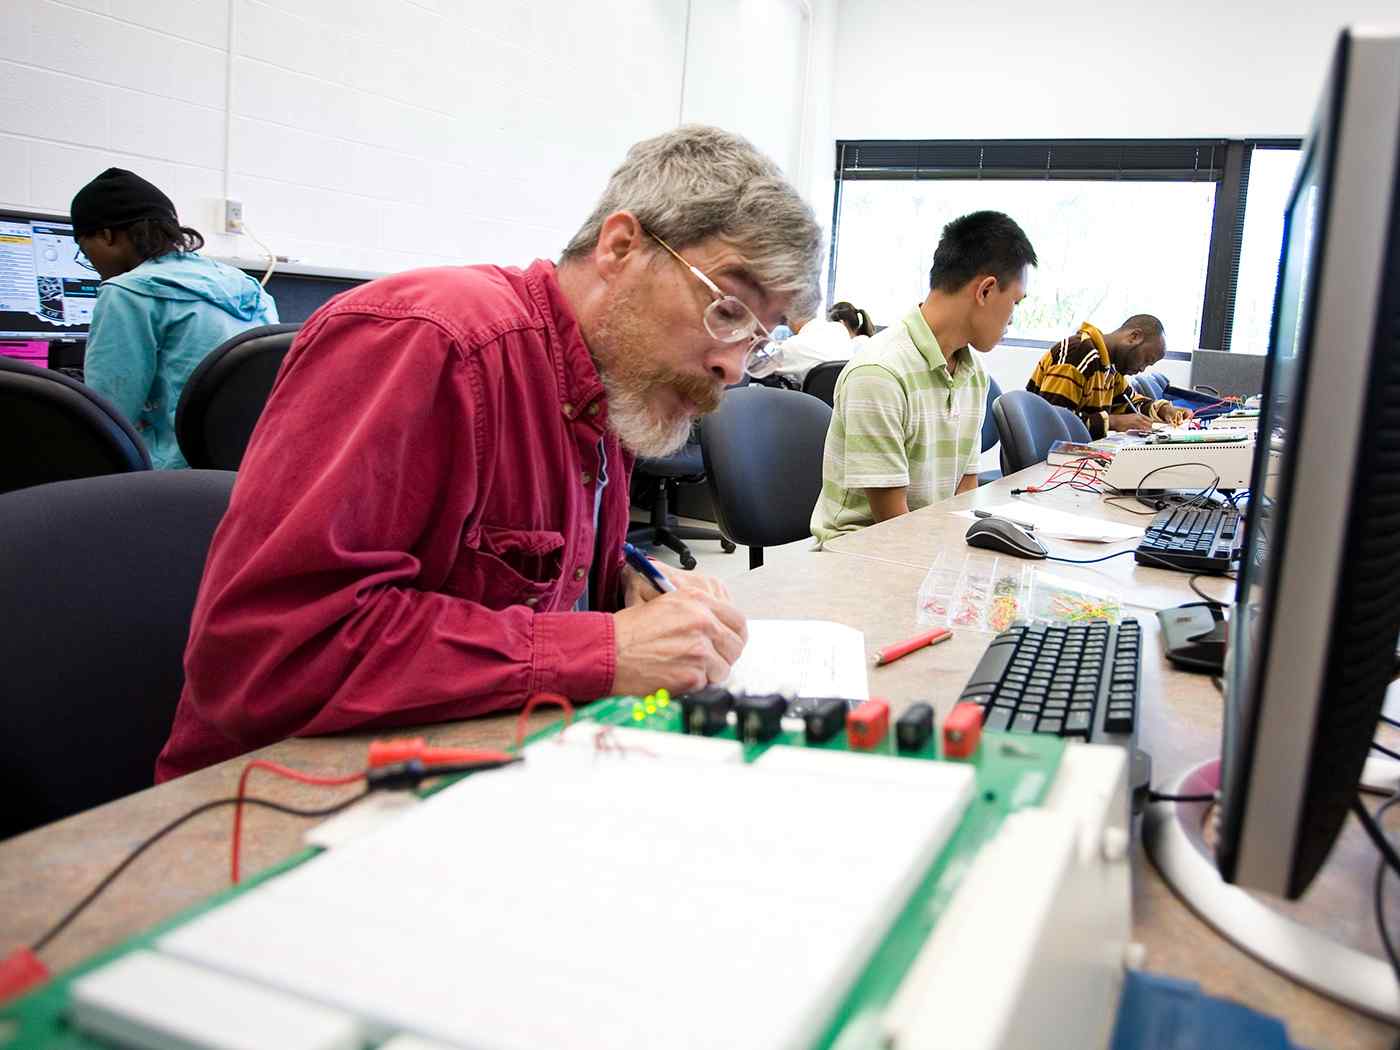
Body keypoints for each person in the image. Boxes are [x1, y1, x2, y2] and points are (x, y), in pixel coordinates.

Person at [156, 126, 823, 781]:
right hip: (274, 801)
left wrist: (625, 581)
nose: (734, 368)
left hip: (478, 767)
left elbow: (492, 560)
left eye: (757, 340)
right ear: (621, 246)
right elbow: (272, 654)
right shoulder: (431, 342)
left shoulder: (612, 381)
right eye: (728, 312)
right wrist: (605, 650)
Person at [810, 211, 1037, 545]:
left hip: (925, 542)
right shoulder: (880, 373)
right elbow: (891, 520)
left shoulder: (973, 374)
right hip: (859, 551)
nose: (1012, 319)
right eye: (1015, 303)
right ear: (986, 291)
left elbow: (964, 489)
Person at [71, 169, 279, 469]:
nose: (89, 261)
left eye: (83, 249)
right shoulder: (248, 286)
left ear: (107, 235)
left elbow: (107, 418)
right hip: (253, 467)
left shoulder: (126, 293)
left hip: (175, 475)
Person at [1026, 315, 1191, 436]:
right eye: (1146, 360)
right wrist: (1114, 422)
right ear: (1134, 337)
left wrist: (1165, 410)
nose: (1142, 369)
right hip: (1042, 465)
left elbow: (1129, 402)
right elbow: (1052, 423)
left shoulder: (1109, 368)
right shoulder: (1078, 354)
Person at [766, 300, 875, 386]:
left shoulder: (792, 346)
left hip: (808, 407)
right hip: (839, 406)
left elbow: (761, 367)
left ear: (791, 318)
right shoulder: (839, 329)